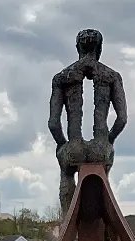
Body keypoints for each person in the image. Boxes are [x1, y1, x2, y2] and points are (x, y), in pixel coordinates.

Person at [48, 29, 128, 215]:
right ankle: (105, 216)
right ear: (99, 48)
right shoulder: (112, 76)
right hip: (100, 147)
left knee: (67, 173)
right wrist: (109, 140)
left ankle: (69, 219)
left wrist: (62, 144)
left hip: (73, 147)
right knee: (103, 172)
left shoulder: (62, 77)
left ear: (78, 48)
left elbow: (53, 123)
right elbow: (122, 119)